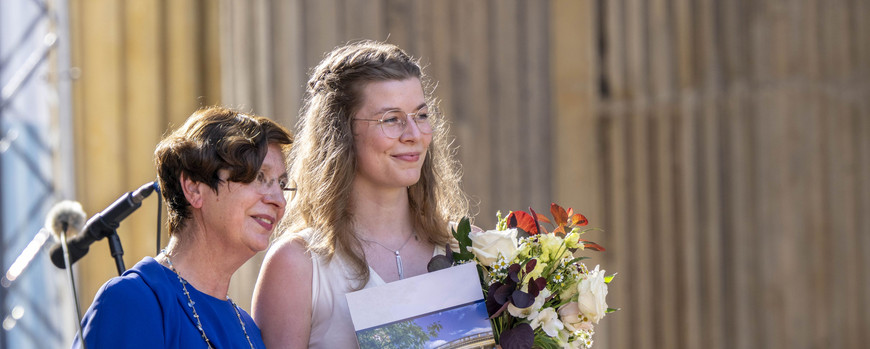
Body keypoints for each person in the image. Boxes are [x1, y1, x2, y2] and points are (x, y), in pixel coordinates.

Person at [252, 40, 470, 348]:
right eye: (391, 119)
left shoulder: (467, 246)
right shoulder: (297, 265)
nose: (413, 135)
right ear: (342, 132)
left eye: (421, 115)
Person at [73, 106, 292, 348]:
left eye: (281, 184)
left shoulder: (248, 330)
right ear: (194, 187)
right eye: (259, 177)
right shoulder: (132, 301)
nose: (278, 200)